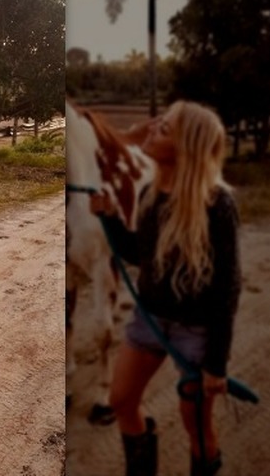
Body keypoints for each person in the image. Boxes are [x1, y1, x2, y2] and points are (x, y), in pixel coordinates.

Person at [90, 101, 242, 476]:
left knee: (196, 425)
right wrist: (110, 217)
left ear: (186, 146)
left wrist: (216, 364)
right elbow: (140, 255)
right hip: (150, 320)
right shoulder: (150, 196)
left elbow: (228, 288)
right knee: (122, 400)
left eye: (166, 128)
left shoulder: (217, 205)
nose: (152, 128)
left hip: (198, 329)